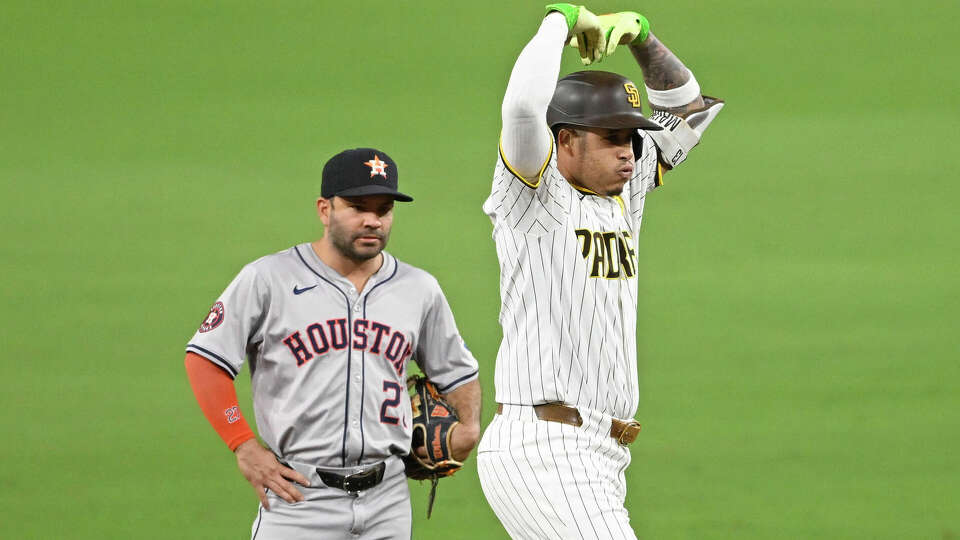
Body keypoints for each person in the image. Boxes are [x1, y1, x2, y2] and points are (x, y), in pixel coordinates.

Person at [475, 4, 724, 539]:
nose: (628, 152)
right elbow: (522, 107)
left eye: (631, 137)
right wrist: (561, 20)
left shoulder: (625, 190)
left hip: (601, 455)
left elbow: (691, 109)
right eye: (610, 137)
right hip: (544, 447)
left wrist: (643, 37)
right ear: (564, 140)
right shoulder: (532, 196)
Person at [184, 148, 481, 539]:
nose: (372, 220)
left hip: (388, 498)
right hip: (299, 496)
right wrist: (242, 444)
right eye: (358, 207)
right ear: (325, 209)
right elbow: (205, 359)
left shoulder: (419, 289)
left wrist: (469, 428)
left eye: (384, 209)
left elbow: (457, 372)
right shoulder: (268, 279)